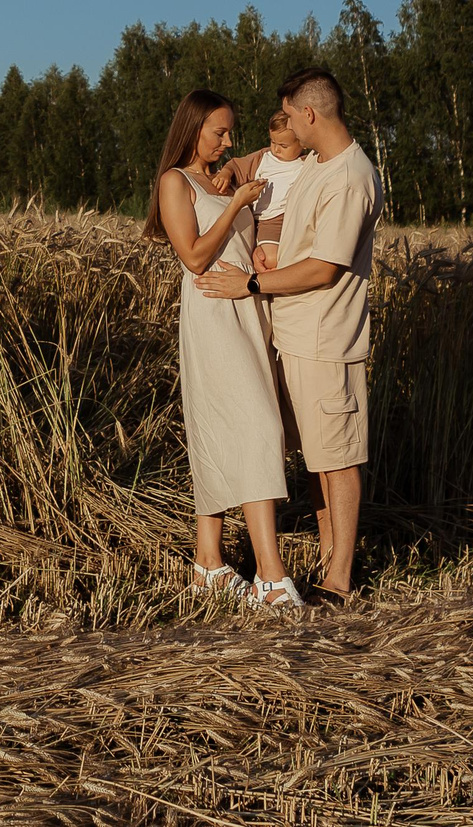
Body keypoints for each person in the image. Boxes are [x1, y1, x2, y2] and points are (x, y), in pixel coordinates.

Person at [196, 66, 380, 602]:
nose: (286, 132)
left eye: (290, 117)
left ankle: (339, 583)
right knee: (320, 461)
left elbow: (325, 269)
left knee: (339, 462)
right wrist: (276, 254)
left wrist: (252, 282)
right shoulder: (321, 167)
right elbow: (310, 246)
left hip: (327, 339)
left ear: (309, 113)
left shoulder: (348, 176)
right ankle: (329, 568)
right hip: (297, 335)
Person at [145, 90, 305, 614]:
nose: (229, 141)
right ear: (193, 129)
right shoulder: (175, 182)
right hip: (213, 310)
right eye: (220, 132)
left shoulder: (225, 176)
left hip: (246, 308)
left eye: (230, 131)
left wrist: (256, 244)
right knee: (259, 427)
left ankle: (208, 564)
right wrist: (236, 203)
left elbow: (243, 235)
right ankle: (271, 577)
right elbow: (192, 256)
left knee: (224, 427)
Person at [226, 106, 314, 271]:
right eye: (272, 142)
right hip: (263, 219)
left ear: (302, 143)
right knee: (267, 259)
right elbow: (236, 165)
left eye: (283, 145)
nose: (276, 149)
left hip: (284, 218)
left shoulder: (307, 163)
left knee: (280, 257)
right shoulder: (264, 157)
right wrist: (225, 173)